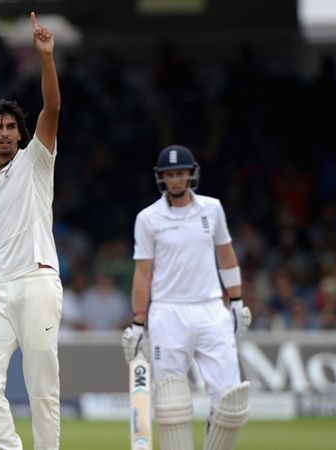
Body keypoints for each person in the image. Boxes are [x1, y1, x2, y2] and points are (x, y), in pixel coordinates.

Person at [0, 12, 62, 450]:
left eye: (11, 127)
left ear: (21, 134)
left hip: (37, 280)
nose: (5, 134)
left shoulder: (35, 161)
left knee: (42, 388)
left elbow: (53, 108)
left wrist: (45, 60)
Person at [121, 145, 253, 450]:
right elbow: (143, 273)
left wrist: (236, 302)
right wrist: (138, 323)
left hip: (211, 310)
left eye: (181, 173)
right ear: (161, 178)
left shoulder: (212, 209)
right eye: (170, 175)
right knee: (171, 404)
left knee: (230, 401)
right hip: (168, 314)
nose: (176, 180)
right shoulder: (148, 218)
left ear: (191, 174)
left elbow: (226, 254)